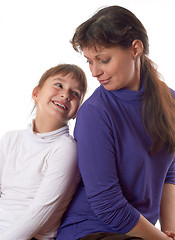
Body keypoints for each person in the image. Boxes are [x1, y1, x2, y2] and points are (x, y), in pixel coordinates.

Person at [56, 6, 175, 240]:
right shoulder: (95, 113)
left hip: (141, 234)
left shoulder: (170, 101)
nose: (94, 72)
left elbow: (170, 172)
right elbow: (108, 205)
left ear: (136, 49)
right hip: (91, 231)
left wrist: (169, 231)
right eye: (90, 61)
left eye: (103, 60)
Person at [0, 63, 87, 240]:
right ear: (36, 94)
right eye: (59, 85)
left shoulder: (65, 148)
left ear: (77, 111)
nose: (65, 94)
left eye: (75, 93)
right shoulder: (11, 138)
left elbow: (40, 210)